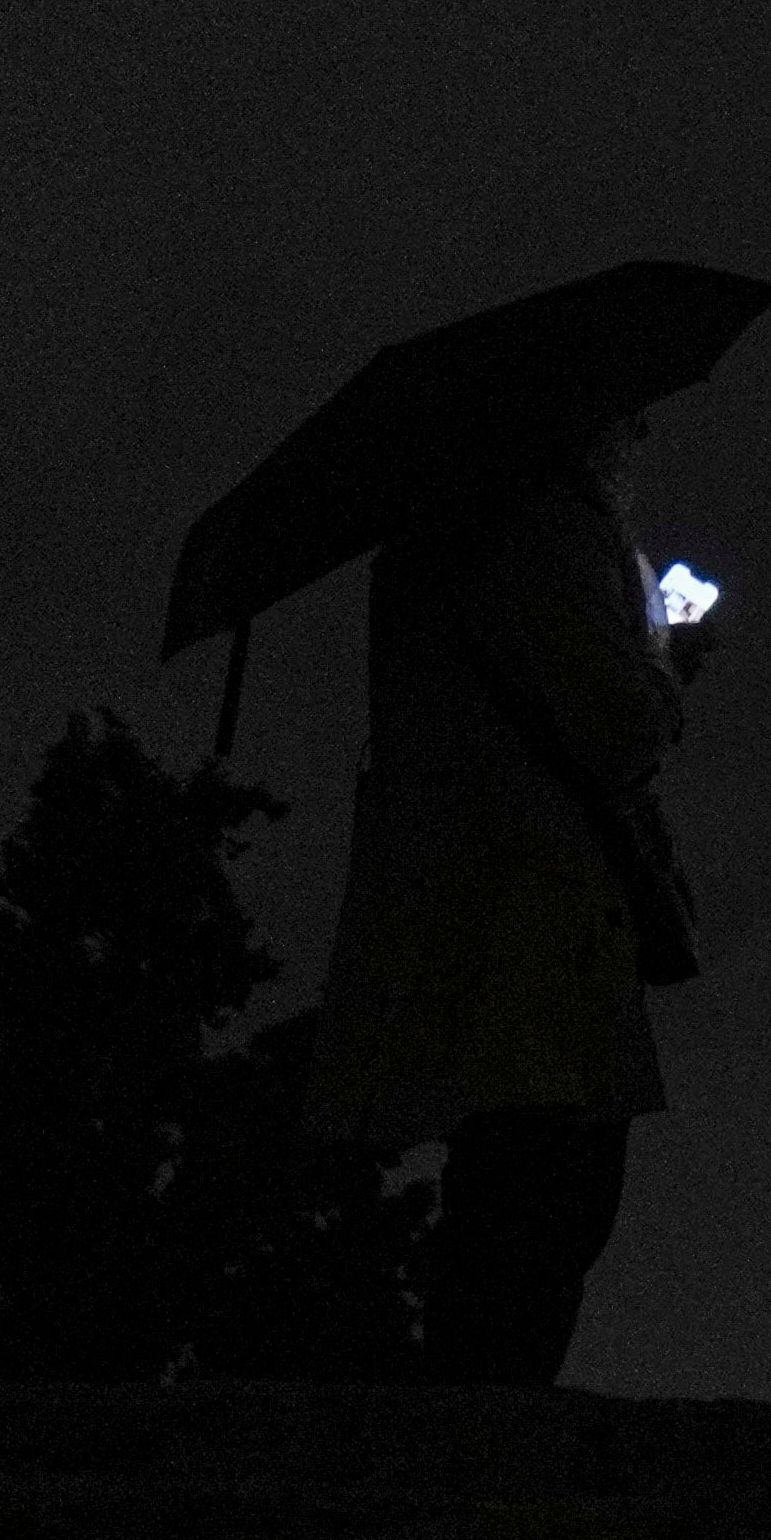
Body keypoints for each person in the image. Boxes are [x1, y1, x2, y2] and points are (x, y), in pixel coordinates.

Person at [315, 398, 708, 1387]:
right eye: (627, 418)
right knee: (549, 1186)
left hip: (468, 894)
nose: (638, 439)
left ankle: (475, 1411)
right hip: (538, 903)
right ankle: (491, 1427)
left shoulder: (428, 540)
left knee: (508, 1177)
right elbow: (616, 727)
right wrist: (667, 667)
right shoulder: (545, 526)